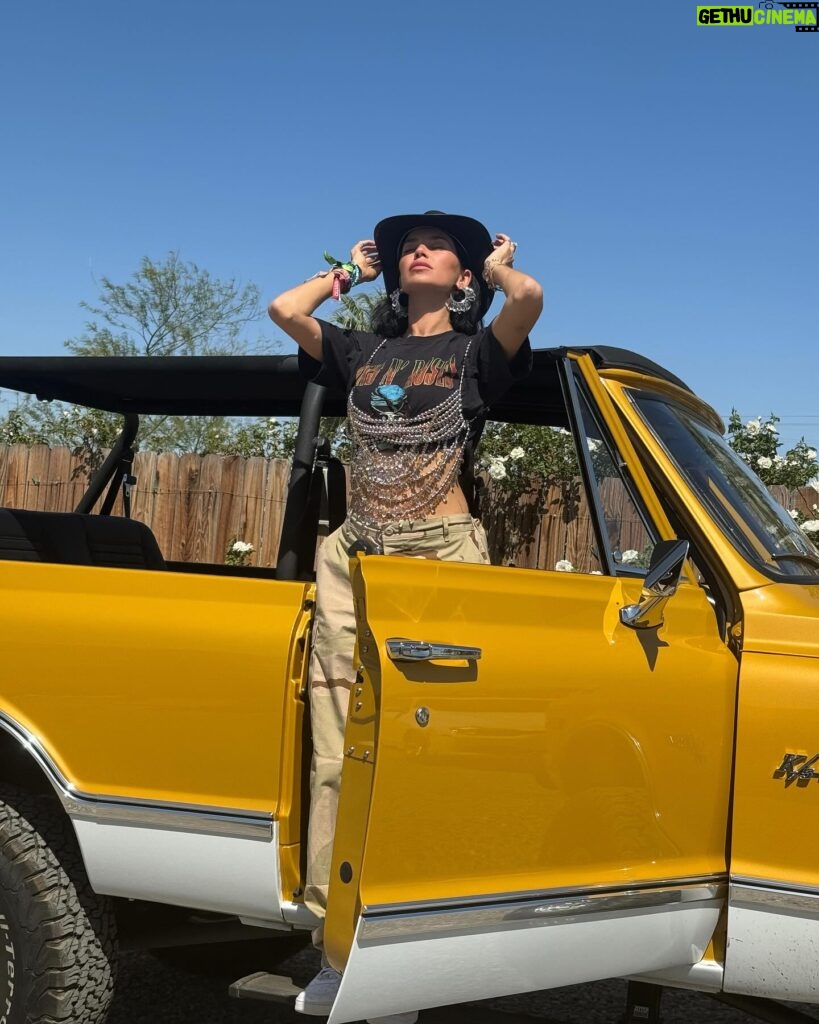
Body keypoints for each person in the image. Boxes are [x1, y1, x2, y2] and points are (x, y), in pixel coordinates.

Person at [268, 211, 543, 1019]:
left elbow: (527, 296)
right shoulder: (363, 349)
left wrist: (493, 273)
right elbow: (287, 310)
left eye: (434, 247)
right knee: (331, 741)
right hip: (354, 549)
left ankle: (424, 932)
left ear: (461, 276)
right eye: (402, 249)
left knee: (434, 747)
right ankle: (335, 939)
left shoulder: (477, 351)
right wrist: (346, 273)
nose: (413, 251)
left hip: (440, 550)